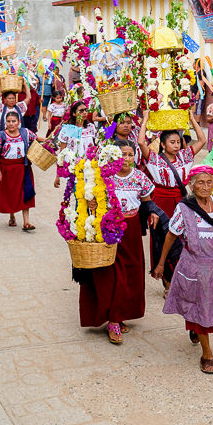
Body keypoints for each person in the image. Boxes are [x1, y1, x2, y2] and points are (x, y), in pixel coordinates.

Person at [154, 166, 213, 374]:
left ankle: (195, 326)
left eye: (209, 182)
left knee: (205, 306)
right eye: (200, 183)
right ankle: (207, 354)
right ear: (191, 185)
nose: (205, 187)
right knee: (200, 306)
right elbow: (171, 235)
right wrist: (161, 263)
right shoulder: (184, 208)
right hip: (194, 267)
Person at [80, 140, 158, 343]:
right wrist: (91, 202)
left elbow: (147, 201)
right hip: (108, 228)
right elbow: (91, 201)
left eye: (130, 154)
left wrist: (152, 213)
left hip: (131, 231)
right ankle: (112, 319)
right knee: (110, 274)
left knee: (130, 274)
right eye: (122, 154)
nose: (126, 159)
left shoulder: (140, 177)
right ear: (113, 156)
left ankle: (120, 313)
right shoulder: (104, 177)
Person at [138, 109, 207, 292]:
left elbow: (202, 140)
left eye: (178, 142)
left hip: (181, 200)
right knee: (162, 238)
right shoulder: (154, 159)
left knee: (183, 238)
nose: (176, 146)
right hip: (160, 201)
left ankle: (181, 277)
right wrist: (145, 119)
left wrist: (192, 119)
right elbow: (140, 141)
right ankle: (166, 279)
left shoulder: (185, 156)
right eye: (172, 142)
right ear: (162, 144)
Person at [0, 111, 44, 231]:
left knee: (25, 194)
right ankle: (12, 216)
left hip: (23, 168)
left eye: (14, 121)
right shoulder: (1, 136)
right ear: (5, 123)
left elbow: (38, 139)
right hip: (7, 169)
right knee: (10, 194)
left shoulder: (26, 133)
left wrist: (51, 139)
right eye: (9, 121)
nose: (11, 124)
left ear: (19, 122)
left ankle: (26, 222)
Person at [53, 100, 97, 188]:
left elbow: (105, 137)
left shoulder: (91, 127)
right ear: (74, 113)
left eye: (85, 110)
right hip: (75, 169)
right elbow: (62, 153)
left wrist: (114, 121)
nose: (84, 112)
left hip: (90, 169)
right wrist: (58, 175)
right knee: (79, 198)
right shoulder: (68, 129)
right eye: (81, 111)